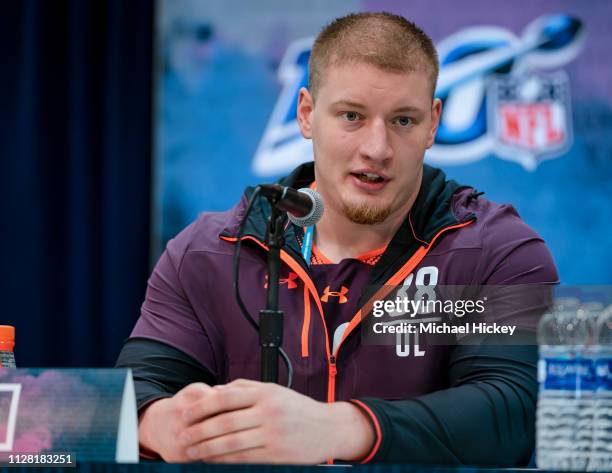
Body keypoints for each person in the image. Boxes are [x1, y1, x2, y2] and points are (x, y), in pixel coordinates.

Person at [116, 12, 558, 465]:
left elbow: (513, 415)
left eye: (403, 121)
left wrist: (340, 428)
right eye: (352, 116)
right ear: (306, 115)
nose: (378, 148)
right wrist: (157, 424)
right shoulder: (209, 251)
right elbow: (132, 395)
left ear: (433, 123)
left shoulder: (496, 251)